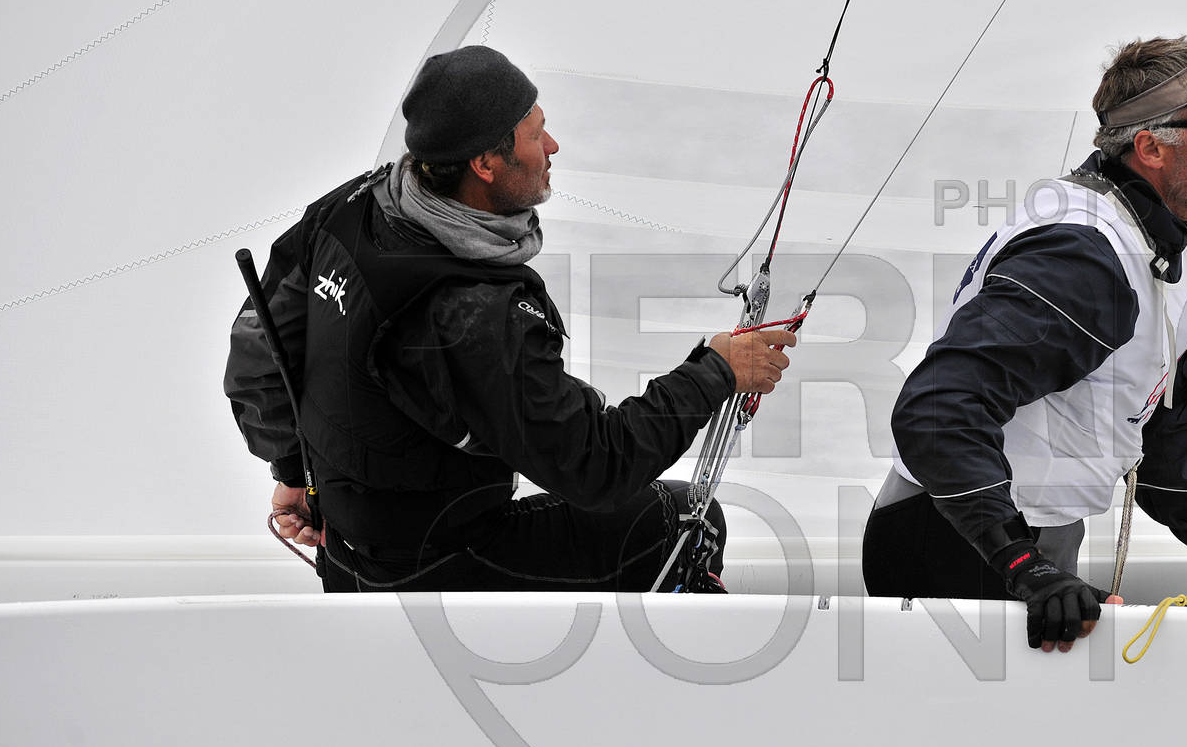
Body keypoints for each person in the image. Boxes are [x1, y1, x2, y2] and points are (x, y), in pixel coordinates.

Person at [225, 45, 796, 591]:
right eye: (535, 134)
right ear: (485, 163)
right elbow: (596, 465)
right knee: (688, 519)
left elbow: (259, 355)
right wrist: (716, 371)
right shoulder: (471, 313)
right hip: (435, 573)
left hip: (348, 558)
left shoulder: (351, 208)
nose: (553, 145)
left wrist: (293, 473)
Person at [864, 36, 1187, 650]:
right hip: (953, 544)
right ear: (1151, 148)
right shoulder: (1082, 255)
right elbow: (937, 412)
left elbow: (1167, 435)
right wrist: (1024, 566)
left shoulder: (1178, 255)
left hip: (1027, 549)